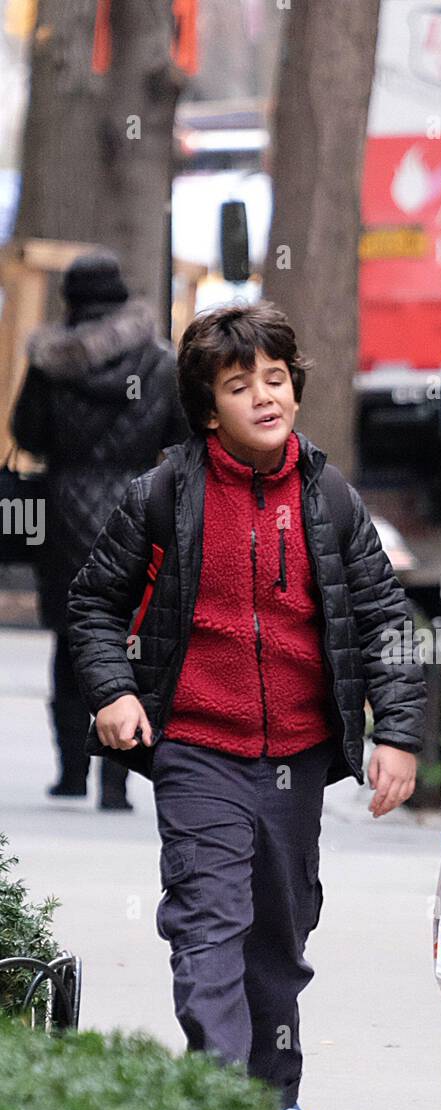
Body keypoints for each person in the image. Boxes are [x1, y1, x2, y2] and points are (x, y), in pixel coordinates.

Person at [67, 301, 426, 1110]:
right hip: (195, 747)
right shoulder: (163, 493)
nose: (264, 396)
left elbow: (384, 620)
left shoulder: (329, 499)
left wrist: (401, 735)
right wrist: (114, 692)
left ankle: (274, 1095)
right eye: (240, 385)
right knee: (206, 920)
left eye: (274, 379)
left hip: (295, 760)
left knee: (279, 930)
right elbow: (92, 603)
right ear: (206, 408)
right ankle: (221, 1100)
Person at [10, 249, 189, 810]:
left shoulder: (49, 360)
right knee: (131, 637)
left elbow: (27, 433)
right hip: (141, 506)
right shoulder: (160, 362)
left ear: (72, 300)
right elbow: (181, 433)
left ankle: (69, 772)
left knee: (72, 637)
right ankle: (117, 783)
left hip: (63, 509)